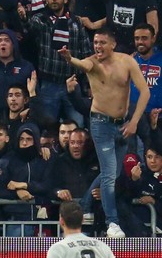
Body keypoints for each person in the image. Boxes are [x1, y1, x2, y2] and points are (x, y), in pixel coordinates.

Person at [60, 27, 150, 238]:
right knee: (109, 174)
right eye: (95, 43)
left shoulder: (127, 61)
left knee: (113, 173)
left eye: (102, 43)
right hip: (101, 124)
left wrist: (134, 121)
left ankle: (82, 207)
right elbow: (82, 64)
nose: (97, 47)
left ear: (113, 44)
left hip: (124, 124)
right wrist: (70, 58)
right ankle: (113, 224)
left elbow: (145, 91)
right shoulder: (92, 62)